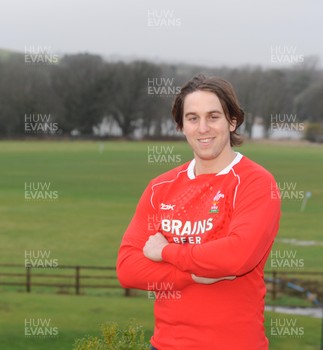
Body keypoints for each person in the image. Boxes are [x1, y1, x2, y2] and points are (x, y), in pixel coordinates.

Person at [116, 74, 281, 350]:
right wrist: (192, 274)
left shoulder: (256, 182)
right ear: (182, 126)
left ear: (232, 121)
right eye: (193, 118)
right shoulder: (161, 187)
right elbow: (128, 269)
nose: (203, 128)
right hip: (165, 345)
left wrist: (166, 252)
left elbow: (236, 257)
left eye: (213, 116)